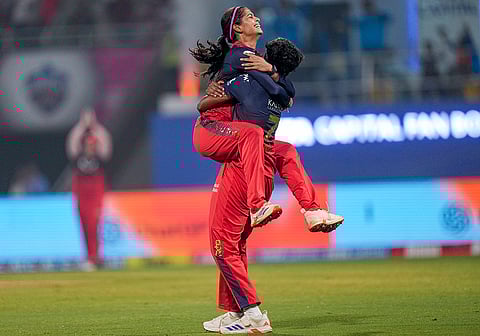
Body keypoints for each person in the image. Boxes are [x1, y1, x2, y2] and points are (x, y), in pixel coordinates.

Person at [191, 6, 342, 231]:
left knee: (287, 151)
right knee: (254, 133)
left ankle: (312, 211)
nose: (257, 18)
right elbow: (280, 92)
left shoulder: (255, 59)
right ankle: (256, 206)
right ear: (238, 28)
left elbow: (286, 90)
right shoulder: (240, 56)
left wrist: (272, 71)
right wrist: (273, 72)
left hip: (233, 130)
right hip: (211, 127)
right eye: (250, 17)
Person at [66, 107, 112, 271]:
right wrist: (81, 125)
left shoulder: (100, 158)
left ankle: (95, 256)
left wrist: (94, 126)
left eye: (93, 145)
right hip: (81, 192)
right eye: (87, 144)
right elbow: (72, 143)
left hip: (95, 191)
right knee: (84, 224)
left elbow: (106, 145)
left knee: (94, 224)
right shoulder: (77, 156)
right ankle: (90, 256)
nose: (90, 147)